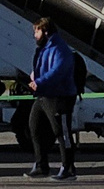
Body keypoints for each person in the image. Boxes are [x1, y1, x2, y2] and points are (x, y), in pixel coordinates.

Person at [26, 16, 81, 180]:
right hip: (44, 95)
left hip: (60, 96)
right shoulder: (44, 48)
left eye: (37, 31)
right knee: (34, 126)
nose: (35, 35)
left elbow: (59, 71)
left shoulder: (59, 48)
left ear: (45, 31)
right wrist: (35, 77)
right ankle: (41, 165)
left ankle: (68, 168)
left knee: (62, 132)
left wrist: (40, 82)